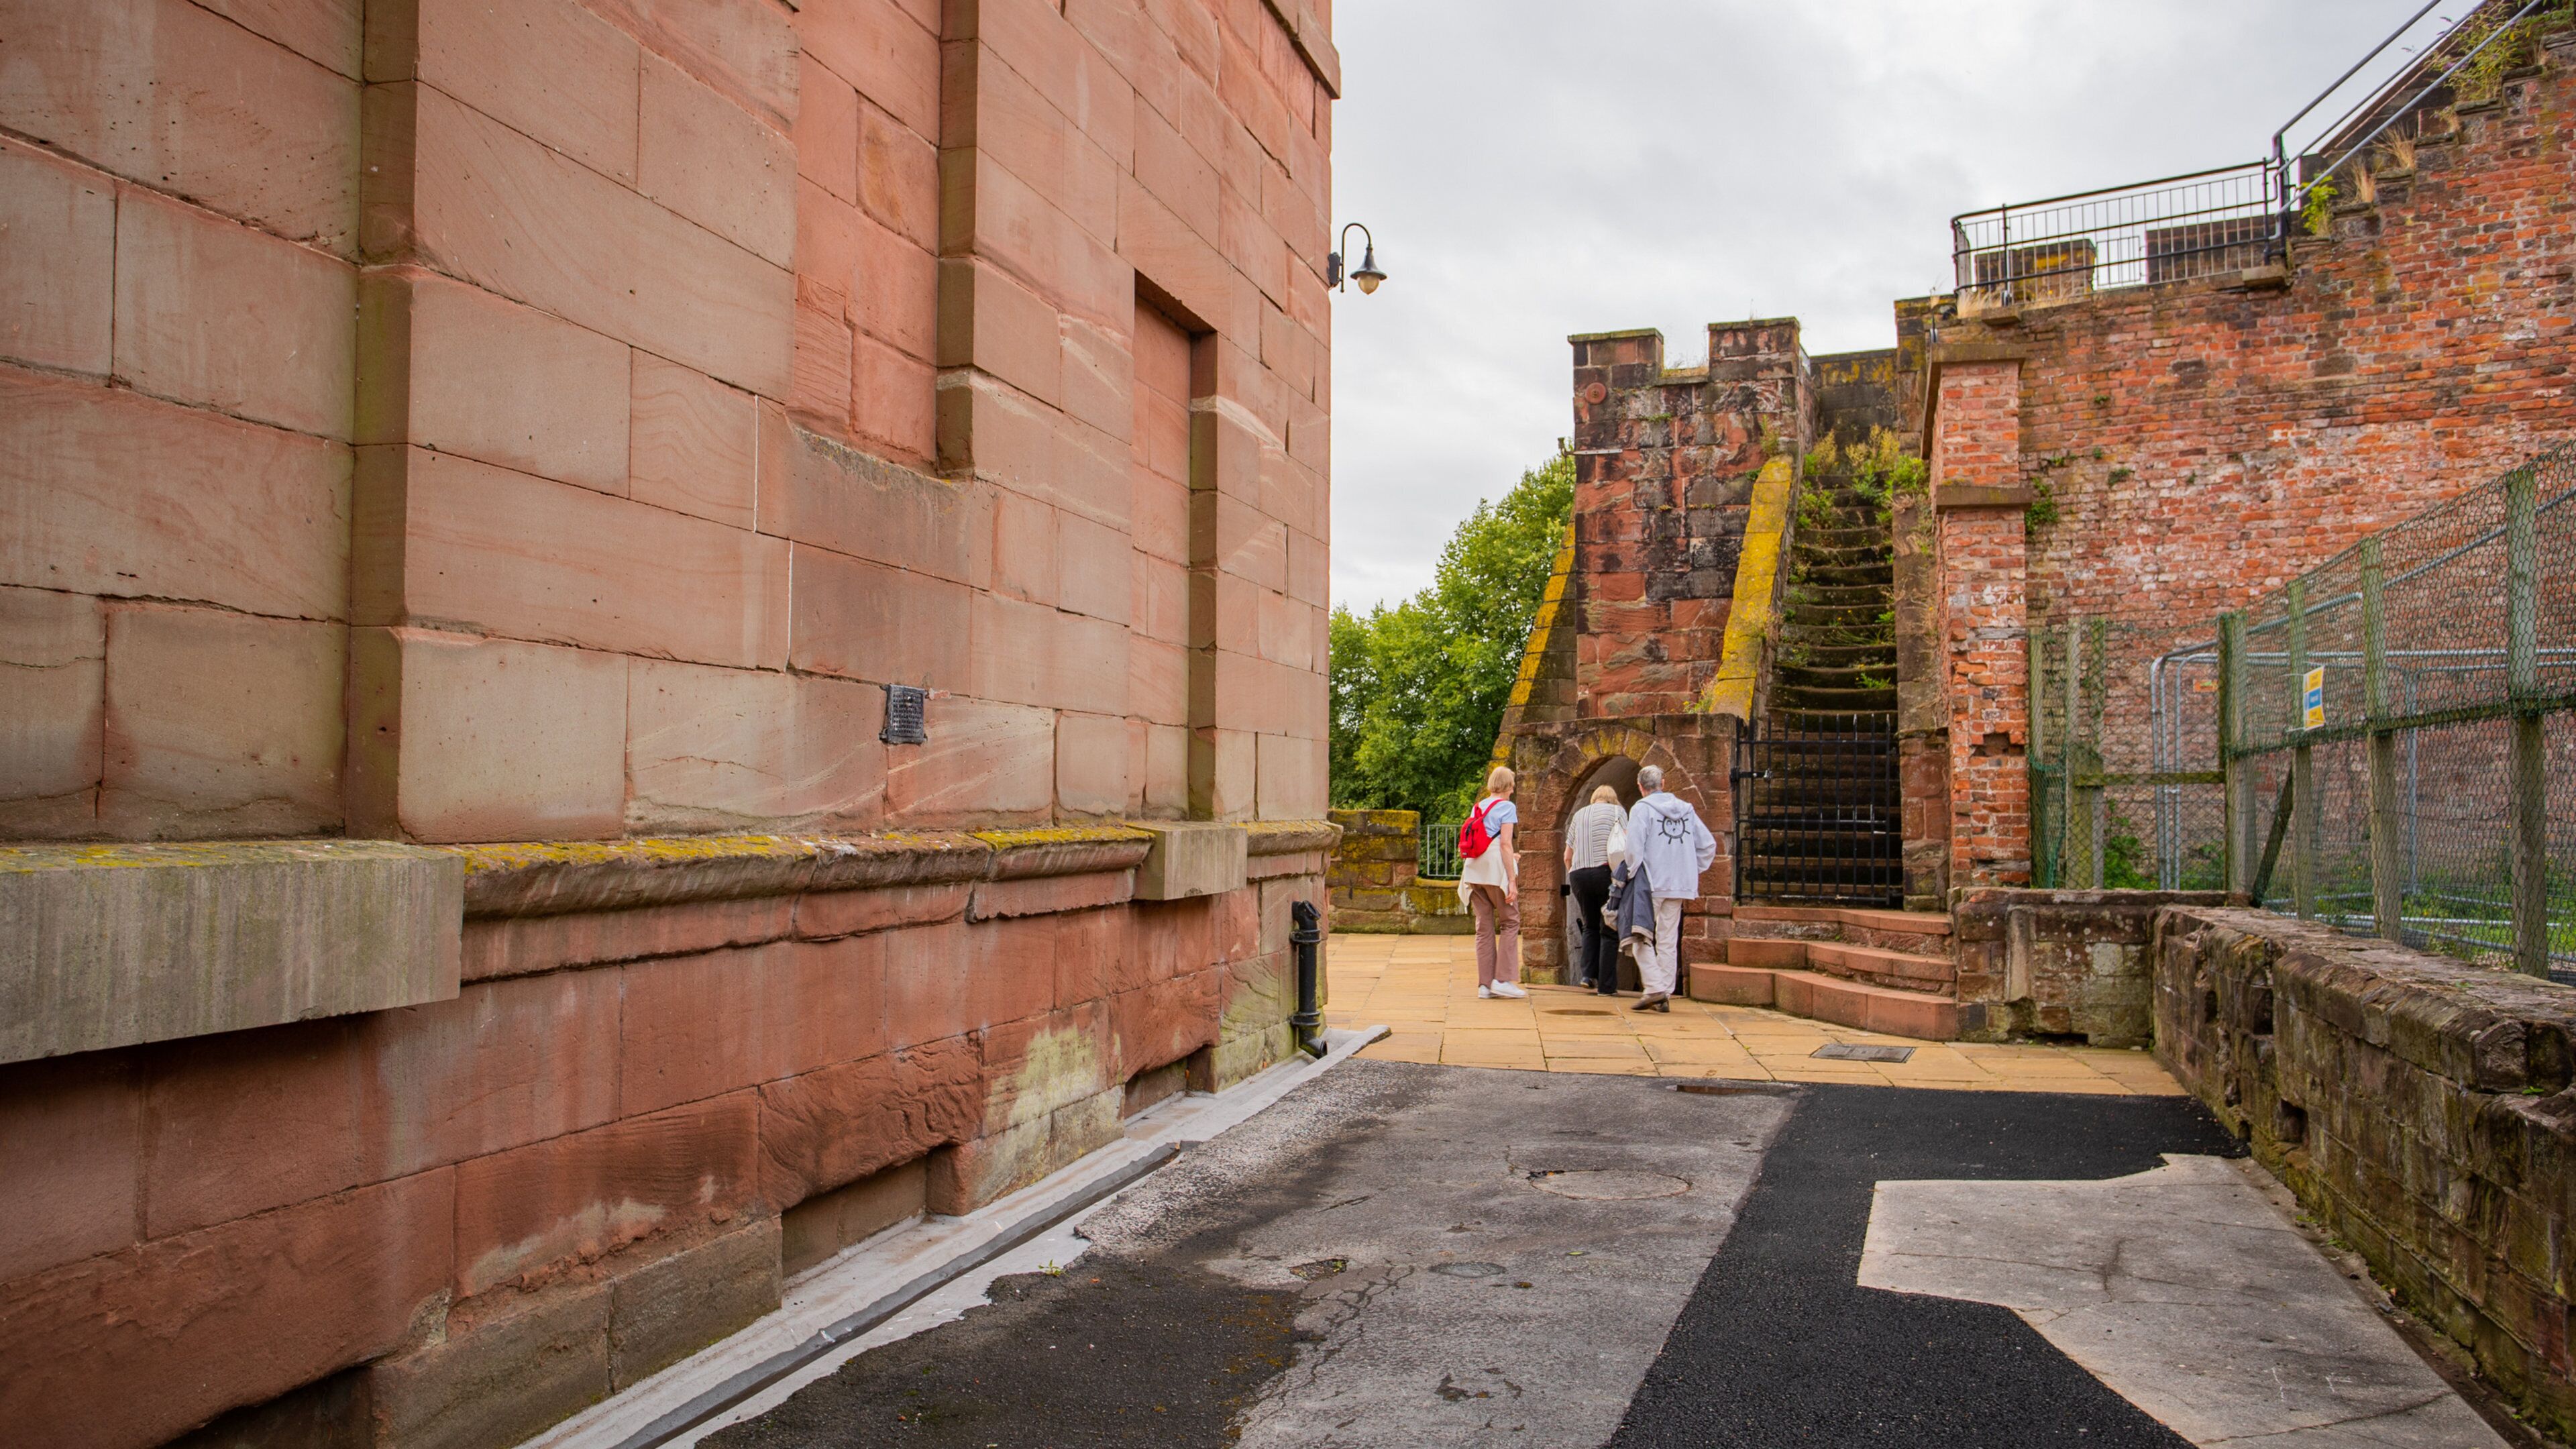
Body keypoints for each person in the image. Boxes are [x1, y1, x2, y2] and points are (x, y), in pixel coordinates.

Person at [1624, 764, 1716, 1012]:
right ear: (1663, 783)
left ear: (1640, 786)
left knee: (1640, 935)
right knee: (1667, 938)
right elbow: (1708, 845)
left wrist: (1632, 874)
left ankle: (1654, 988)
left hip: (1652, 883)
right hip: (1680, 884)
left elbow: (1634, 848)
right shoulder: (1686, 810)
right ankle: (1664, 992)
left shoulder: (1641, 810)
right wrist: (1690, 868)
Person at [1456, 765, 1527, 1000]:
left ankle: (1484, 985)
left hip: (1474, 871)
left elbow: (1487, 840)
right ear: (1508, 786)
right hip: (1495, 872)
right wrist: (1513, 881)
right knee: (1510, 921)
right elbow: (1505, 844)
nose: (1514, 788)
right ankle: (1503, 980)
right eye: (1513, 784)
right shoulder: (1507, 807)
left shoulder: (1479, 806)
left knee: (1483, 928)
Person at [1562, 784, 1626, 994]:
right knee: (1609, 927)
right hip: (1604, 873)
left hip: (1578, 875)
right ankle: (1607, 986)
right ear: (1613, 798)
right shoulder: (1618, 811)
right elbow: (1626, 845)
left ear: (1595, 798)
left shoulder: (1579, 814)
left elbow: (1567, 856)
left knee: (1590, 925)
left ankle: (1588, 975)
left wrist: (1574, 873)